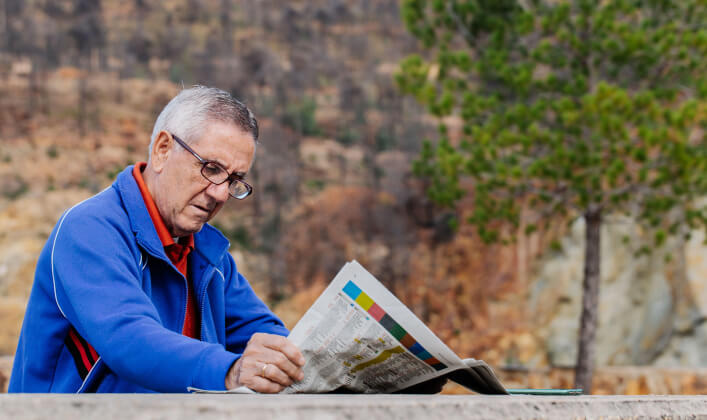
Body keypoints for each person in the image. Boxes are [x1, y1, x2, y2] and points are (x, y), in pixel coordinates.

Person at [9, 86, 305, 393]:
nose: (220, 193)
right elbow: (130, 340)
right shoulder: (89, 230)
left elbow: (261, 332)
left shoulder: (207, 253)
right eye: (211, 169)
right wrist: (230, 371)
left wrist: (293, 359)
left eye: (233, 181)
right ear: (163, 149)